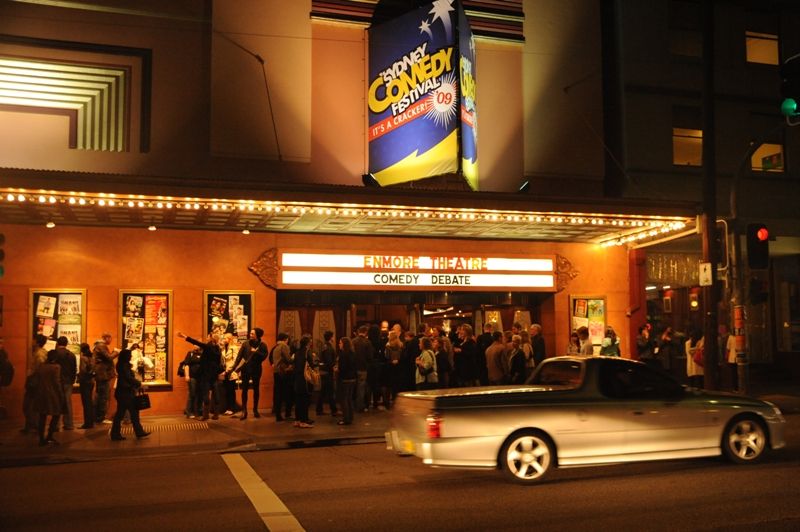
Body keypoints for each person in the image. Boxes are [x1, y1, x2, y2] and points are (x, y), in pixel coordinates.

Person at [177, 331, 223, 421]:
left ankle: (205, 415)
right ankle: (216, 415)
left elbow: (196, 342)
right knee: (216, 394)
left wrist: (185, 336)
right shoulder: (218, 348)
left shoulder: (208, 347)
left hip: (206, 375)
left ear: (211, 337)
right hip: (214, 375)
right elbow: (218, 363)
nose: (206, 337)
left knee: (206, 395)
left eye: (208, 336)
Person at [109, 349, 150, 441]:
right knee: (129, 413)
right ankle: (136, 432)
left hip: (123, 392)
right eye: (129, 355)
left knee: (124, 413)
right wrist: (140, 384)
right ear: (126, 356)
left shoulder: (121, 365)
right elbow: (128, 378)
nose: (131, 356)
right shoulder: (124, 366)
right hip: (125, 393)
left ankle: (117, 434)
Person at [232, 328, 268, 420]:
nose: (250, 335)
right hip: (245, 369)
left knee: (256, 389)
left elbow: (264, 356)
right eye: (250, 333)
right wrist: (234, 368)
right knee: (244, 389)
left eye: (252, 333)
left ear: (257, 335)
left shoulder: (262, 345)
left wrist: (256, 352)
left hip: (256, 369)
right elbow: (239, 357)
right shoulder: (245, 344)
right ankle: (244, 411)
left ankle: (255, 410)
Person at [32, 350, 66, 446]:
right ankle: (49, 436)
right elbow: (57, 383)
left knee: (42, 417)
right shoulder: (56, 367)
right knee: (56, 415)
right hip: (53, 395)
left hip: (41, 394)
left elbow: (36, 379)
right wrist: (61, 395)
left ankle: (41, 438)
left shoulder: (41, 367)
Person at [22, 334, 49, 433]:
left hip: (34, 381)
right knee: (31, 405)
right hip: (35, 380)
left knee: (28, 405)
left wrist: (32, 376)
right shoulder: (41, 352)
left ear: (37, 342)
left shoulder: (39, 353)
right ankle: (31, 426)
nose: (32, 341)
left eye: (34, 340)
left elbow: (40, 366)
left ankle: (33, 426)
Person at [50, 336, 76, 431]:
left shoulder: (55, 354)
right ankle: (69, 424)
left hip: (57, 381)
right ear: (66, 344)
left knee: (56, 402)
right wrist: (72, 380)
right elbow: (74, 369)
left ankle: (56, 425)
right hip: (68, 382)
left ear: (57, 343)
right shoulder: (71, 355)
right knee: (67, 402)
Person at [92, 332, 118, 425]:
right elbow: (109, 357)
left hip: (101, 375)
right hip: (103, 375)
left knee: (100, 395)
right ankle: (101, 417)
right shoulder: (101, 346)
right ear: (106, 338)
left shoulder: (98, 346)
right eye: (110, 338)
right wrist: (116, 352)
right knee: (103, 396)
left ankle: (97, 417)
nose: (111, 341)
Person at [292, 334, 314, 428]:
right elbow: (311, 364)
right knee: (305, 400)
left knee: (298, 399)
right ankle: (304, 420)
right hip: (304, 378)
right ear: (308, 343)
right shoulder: (307, 352)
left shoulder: (297, 352)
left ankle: (297, 420)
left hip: (297, 378)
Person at [272, 332, 293, 422]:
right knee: (288, 393)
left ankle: (278, 415)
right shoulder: (284, 346)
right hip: (283, 372)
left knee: (278, 394)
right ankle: (287, 413)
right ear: (285, 339)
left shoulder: (276, 347)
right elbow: (289, 359)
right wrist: (293, 358)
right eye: (287, 339)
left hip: (276, 372)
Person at [316, 330, 338, 416]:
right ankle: (333, 410)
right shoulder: (328, 348)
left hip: (324, 372)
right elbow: (329, 361)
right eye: (333, 336)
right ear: (330, 337)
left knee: (324, 391)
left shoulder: (324, 346)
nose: (333, 338)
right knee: (330, 391)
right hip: (327, 372)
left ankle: (319, 409)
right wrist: (334, 365)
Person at [336, 336, 356, 426]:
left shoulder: (343, 354)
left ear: (344, 344)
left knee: (343, 399)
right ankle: (350, 417)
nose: (339, 344)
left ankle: (346, 419)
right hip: (352, 378)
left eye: (340, 343)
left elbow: (343, 368)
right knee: (349, 399)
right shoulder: (352, 353)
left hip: (345, 379)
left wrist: (337, 370)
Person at [178, 346, 202, 418]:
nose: (195, 346)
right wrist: (187, 375)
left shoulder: (203, 354)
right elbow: (186, 365)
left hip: (200, 378)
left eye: (197, 344)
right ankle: (189, 412)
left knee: (200, 394)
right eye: (194, 344)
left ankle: (198, 411)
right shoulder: (190, 353)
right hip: (192, 377)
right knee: (192, 394)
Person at [219, 333, 239, 415]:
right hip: (224, 373)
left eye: (225, 338)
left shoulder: (234, 348)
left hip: (231, 372)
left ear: (229, 339)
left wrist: (227, 370)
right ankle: (227, 407)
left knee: (231, 391)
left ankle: (232, 408)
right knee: (226, 391)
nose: (223, 340)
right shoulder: (223, 349)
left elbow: (235, 361)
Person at [77, 343, 95, 429]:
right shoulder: (92, 357)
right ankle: (91, 421)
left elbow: (83, 370)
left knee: (86, 402)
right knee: (89, 402)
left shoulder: (83, 358)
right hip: (91, 381)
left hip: (85, 381)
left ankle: (87, 423)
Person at [385, 329, 404, 403]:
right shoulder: (401, 345)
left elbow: (387, 357)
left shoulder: (388, 346)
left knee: (390, 384)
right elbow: (402, 356)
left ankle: (391, 399)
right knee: (397, 383)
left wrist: (391, 361)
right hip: (399, 366)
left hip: (390, 366)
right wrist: (398, 360)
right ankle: (397, 398)